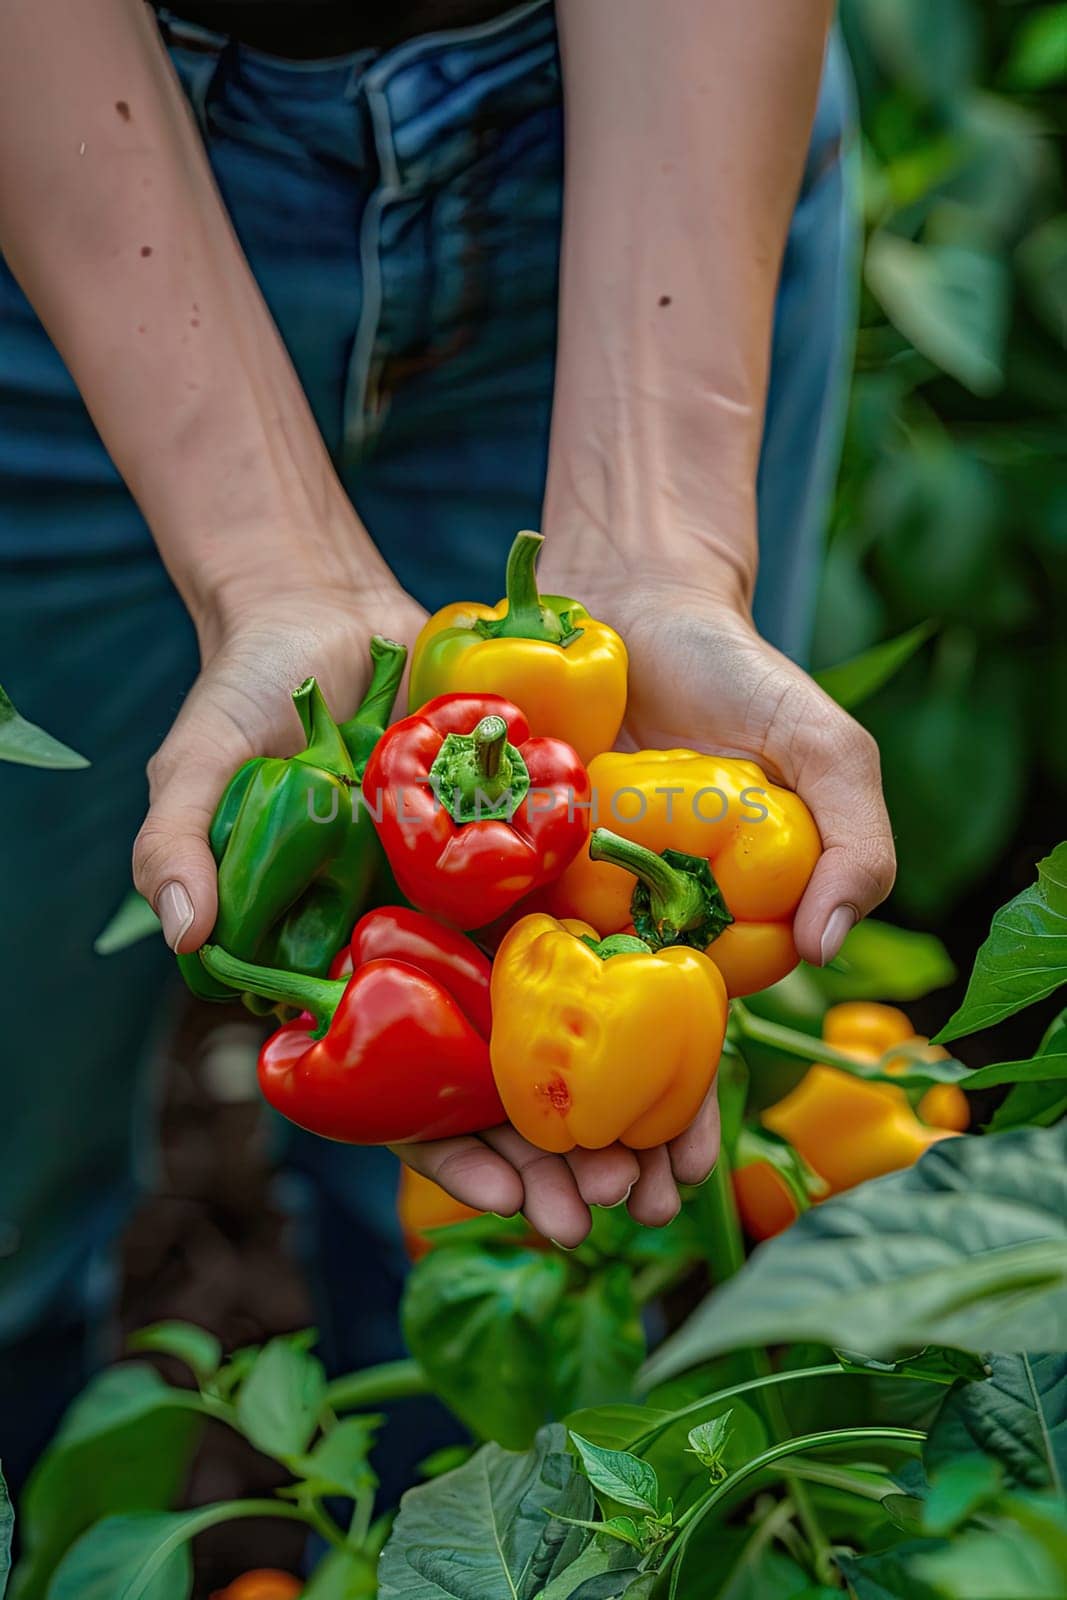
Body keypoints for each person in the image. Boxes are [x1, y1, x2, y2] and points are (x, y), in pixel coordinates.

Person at [0, 0, 895, 1487]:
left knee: (479, 1222)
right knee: (3, 1169)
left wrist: (662, 551)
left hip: (654, 156)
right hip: (49, 208)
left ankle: (436, 1543)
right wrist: (262, 561)